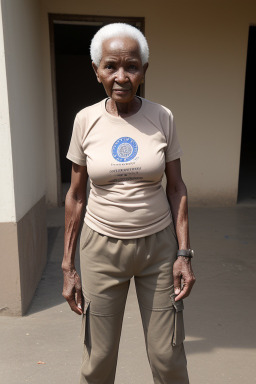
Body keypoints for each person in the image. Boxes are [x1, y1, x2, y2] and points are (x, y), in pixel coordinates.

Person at [62, 23, 196, 384]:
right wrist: (68, 266)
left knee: (168, 357)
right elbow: (75, 195)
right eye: (111, 66)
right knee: (98, 359)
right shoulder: (85, 121)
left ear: (144, 70)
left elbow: (176, 187)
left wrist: (184, 253)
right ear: (97, 70)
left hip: (159, 248)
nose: (121, 76)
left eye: (131, 66)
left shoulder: (162, 117)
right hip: (100, 249)